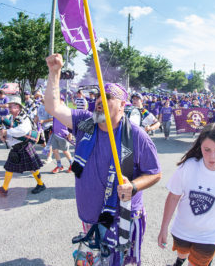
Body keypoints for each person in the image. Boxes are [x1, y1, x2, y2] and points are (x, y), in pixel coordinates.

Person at [45, 53, 162, 265]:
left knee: (122, 262)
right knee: (95, 261)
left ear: (122, 105)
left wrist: (134, 186)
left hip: (123, 217)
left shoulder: (137, 135)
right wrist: (54, 73)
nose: (99, 101)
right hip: (90, 215)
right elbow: (53, 108)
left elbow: (154, 173)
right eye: (98, 97)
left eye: (108, 97)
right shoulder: (84, 122)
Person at [158, 123, 215, 266]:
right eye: (207, 149)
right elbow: (173, 196)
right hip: (182, 230)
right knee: (182, 252)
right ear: (200, 146)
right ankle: (180, 260)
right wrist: (163, 228)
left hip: (209, 236)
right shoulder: (188, 166)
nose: (212, 157)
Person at [0, 96, 46, 196]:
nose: (9, 108)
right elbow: (11, 130)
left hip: (24, 146)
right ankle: (4, 189)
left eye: (11, 106)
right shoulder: (13, 117)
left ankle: (41, 184)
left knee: (33, 168)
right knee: (9, 167)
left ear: (17, 107)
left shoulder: (23, 117)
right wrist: (4, 136)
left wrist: (7, 132)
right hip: (16, 147)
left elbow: (22, 131)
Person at [50, 94, 74, 174]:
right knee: (55, 150)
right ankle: (59, 166)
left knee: (65, 151)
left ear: (62, 100)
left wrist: (70, 133)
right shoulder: (56, 110)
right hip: (55, 133)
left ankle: (72, 165)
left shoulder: (66, 110)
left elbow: (71, 123)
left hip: (64, 135)